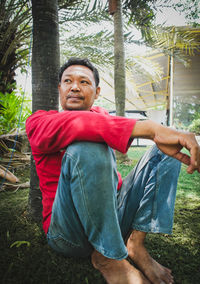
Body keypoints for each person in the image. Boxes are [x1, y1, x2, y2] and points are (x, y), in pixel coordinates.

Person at [26, 57, 200, 284]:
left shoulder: (103, 117)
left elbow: (99, 123)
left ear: (97, 92)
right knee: (86, 143)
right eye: (67, 81)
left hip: (114, 217)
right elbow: (79, 125)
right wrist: (152, 129)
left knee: (167, 146)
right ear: (59, 88)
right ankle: (107, 258)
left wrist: (165, 133)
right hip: (67, 232)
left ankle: (135, 244)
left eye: (84, 82)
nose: (75, 87)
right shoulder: (39, 121)